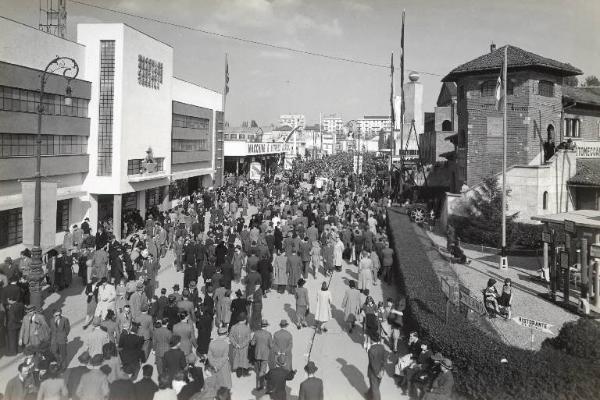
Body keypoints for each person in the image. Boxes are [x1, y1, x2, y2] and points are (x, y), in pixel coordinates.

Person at [251, 319, 272, 391]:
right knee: (262, 370)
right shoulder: (268, 334)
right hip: (265, 354)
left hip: (257, 353)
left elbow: (252, 343)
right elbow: (271, 345)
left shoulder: (256, 333)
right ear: (266, 326)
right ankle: (260, 384)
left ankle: (262, 381)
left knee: (260, 369)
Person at [229, 312, 252, 377]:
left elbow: (230, 336)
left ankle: (238, 373)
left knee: (237, 359)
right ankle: (245, 372)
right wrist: (242, 345)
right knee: (244, 360)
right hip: (244, 348)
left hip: (236, 347)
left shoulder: (233, 327)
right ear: (244, 320)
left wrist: (235, 344)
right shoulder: (247, 328)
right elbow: (248, 338)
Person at [366, 334, 386, 400]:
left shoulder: (371, 350)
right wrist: (382, 370)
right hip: (381, 370)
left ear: (371, 340)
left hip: (373, 373)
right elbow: (384, 359)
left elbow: (372, 364)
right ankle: (369, 395)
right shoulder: (382, 347)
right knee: (376, 385)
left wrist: (377, 373)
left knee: (375, 389)